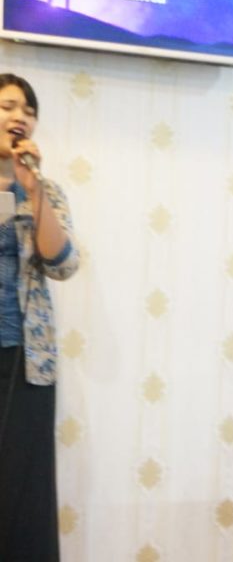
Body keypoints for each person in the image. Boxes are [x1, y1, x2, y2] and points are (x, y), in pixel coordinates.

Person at [0, 73, 79, 561]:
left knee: (24, 497)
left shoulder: (43, 191)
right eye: (8, 106)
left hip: (26, 364)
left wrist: (33, 191)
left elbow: (63, 264)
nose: (20, 117)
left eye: (28, 112)